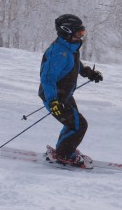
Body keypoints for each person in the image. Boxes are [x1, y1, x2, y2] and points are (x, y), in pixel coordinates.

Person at [39, 14, 103, 168]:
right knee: (79, 125)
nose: (81, 37)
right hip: (55, 97)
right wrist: (53, 101)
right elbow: (47, 79)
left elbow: (74, 64)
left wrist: (88, 72)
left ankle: (64, 150)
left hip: (65, 95)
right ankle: (65, 155)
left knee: (73, 124)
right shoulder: (57, 53)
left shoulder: (70, 47)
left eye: (83, 33)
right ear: (66, 32)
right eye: (78, 33)